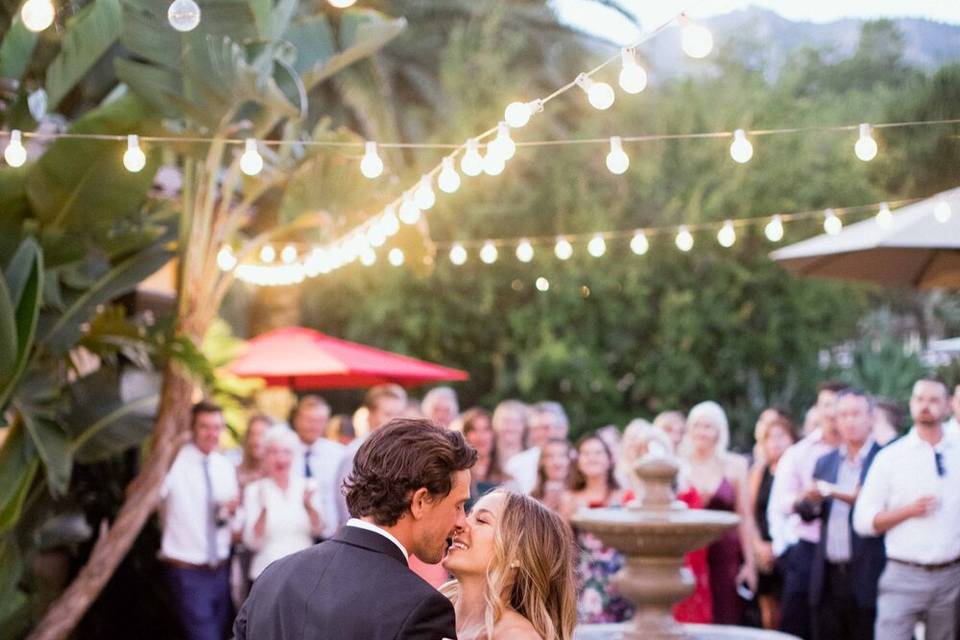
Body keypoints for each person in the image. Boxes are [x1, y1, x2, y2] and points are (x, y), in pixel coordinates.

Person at [234, 419, 477, 640]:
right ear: (420, 501)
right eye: (458, 505)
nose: (462, 521)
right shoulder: (421, 608)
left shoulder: (274, 576)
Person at [854, 378, 960, 640]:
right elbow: (863, 521)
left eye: (934, 400)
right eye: (920, 399)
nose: (926, 406)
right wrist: (907, 511)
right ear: (911, 404)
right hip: (903, 574)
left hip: (951, 578)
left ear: (948, 406)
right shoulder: (891, 457)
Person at [797, 390, 884, 640]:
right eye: (843, 415)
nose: (849, 421)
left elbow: (871, 504)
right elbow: (809, 514)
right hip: (828, 577)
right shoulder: (825, 461)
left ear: (871, 417)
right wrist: (809, 500)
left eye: (856, 414)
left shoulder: (885, 458)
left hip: (869, 576)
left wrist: (830, 491)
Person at [440, 490, 577, 640]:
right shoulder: (433, 610)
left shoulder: (516, 635)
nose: (460, 524)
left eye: (482, 520)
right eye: (468, 515)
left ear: (517, 554)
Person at [767, 381, 845, 639]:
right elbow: (780, 503)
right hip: (808, 549)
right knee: (798, 622)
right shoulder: (800, 453)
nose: (831, 412)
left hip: (849, 552)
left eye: (837, 405)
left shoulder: (861, 453)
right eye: (826, 405)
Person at [159, 401, 239, 640]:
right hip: (187, 570)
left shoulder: (224, 466)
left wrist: (230, 512)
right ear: (192, 428)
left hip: (221, 571)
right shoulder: (173, 464)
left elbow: (226, 520)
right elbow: (147, 497)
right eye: (205, 427)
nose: (212, 434)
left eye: (217, 427)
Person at [620, 420, 712, 624]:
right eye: (641, 452)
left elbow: (697, 534)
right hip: (644, 569)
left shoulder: (686, 491)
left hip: (682, 565)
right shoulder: (629, 496)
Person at [681, 401, 757, 625]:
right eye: (696, 425)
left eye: (708, 426)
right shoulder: (678, 465)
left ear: (719, 431)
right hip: (689, 553)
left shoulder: (735, 465)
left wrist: (750, 563)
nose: (701, 432)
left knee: (726, 614)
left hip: (725, 554)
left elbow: (745, 516)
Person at [560, 434, 630, 624]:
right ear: (578, 462)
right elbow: (566, 543)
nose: (592, 458)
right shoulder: (570, 498)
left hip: (622, 575)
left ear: (609, 459)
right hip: (586, 578)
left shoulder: (623, 495)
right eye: (586, 453)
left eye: (598, 452)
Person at [242, 426, 325, 581]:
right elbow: (251, 542)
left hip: (303, 573)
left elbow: (319, 530)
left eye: (286, 452)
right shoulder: (254, 490)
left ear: (295, 456)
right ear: (265, 457)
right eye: (274, 452)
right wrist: (263, 509)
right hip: (266, 575)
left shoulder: (308, 486)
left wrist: (309, 506)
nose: (280, 458)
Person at [334, 384, 408, 528]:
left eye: (400, 413)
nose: (395, 420)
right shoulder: (355, 454)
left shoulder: (405, 452)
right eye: (388, 414)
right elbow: (347, 509)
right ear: (370, 416)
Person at [748, 416, 795, 630]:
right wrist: (758, 546)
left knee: (789, 608)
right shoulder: (760, 471)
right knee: (768, 610)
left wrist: (779, 546)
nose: (775, 443)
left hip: (787, 547)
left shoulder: (796, 468)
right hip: (763, 548)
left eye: (780, 436)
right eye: (769, 438)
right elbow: (749, 512)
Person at [289, 395, 343, 540]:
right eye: (309, 420)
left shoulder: (338, 454)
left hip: (330, 533)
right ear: (297, 420)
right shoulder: (283, 451)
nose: (314, 426)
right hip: (293, 532)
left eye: (320, 421)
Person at [506, 401, 569, 494]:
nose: (540, 434)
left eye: (545, 427)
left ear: (562, 428)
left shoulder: (579, 459)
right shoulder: (516, 464)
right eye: (535, 429)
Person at [461, 408, 516, 505]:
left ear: (493, 434)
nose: (480, 436)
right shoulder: (457, 477)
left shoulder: (507, 480)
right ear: (466, 435)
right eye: (474, 430)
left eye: (486, 430)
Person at [531, 438, 572, 513]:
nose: (556, 462)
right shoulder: (531, 500)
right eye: (550, 456)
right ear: (542, 462)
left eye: (562, 456)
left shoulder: (580, 495)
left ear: (569, 461)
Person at [236, 415, 271, 488]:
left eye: (262, 435)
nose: (256, 440)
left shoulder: (277, 476)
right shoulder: (234, 474)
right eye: (252, 434)